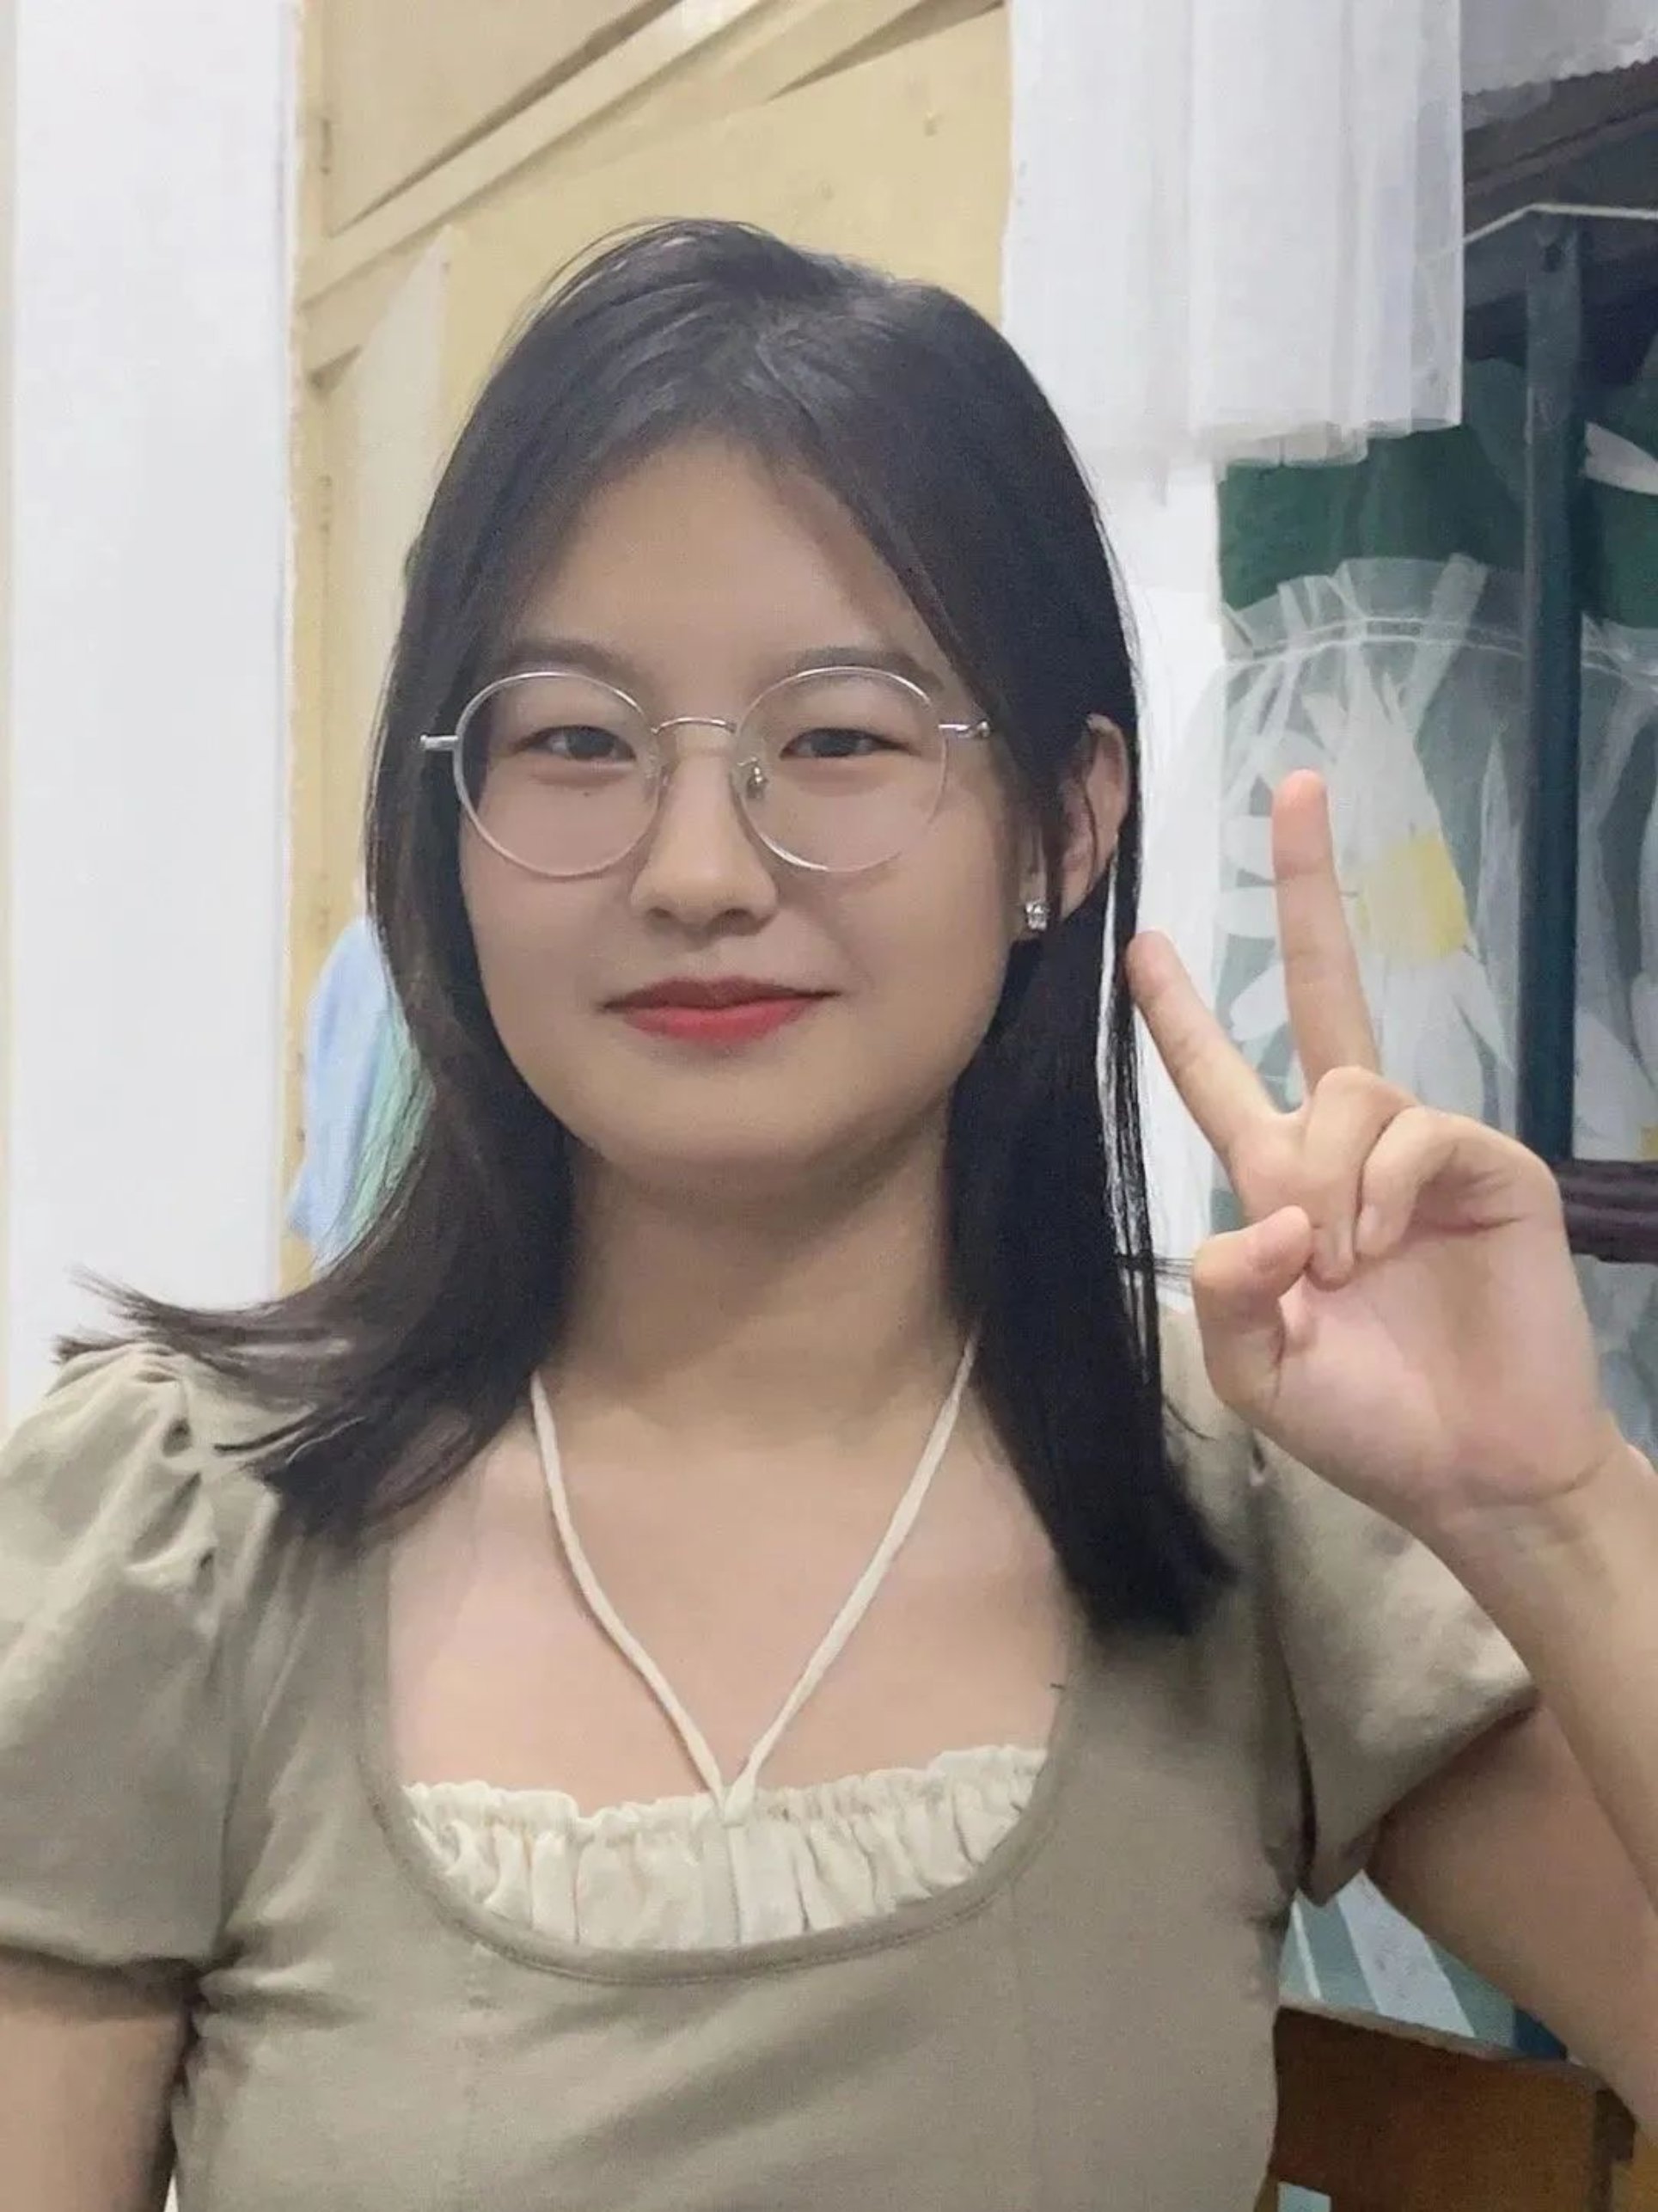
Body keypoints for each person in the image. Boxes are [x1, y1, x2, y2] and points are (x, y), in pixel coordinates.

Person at [0, 219, 1654, 2212]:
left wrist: (1547, 1506)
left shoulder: (1239, 1497)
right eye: (576, 741)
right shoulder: (181, 1534)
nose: (697, 867)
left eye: (841, 738)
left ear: (1063, 821)